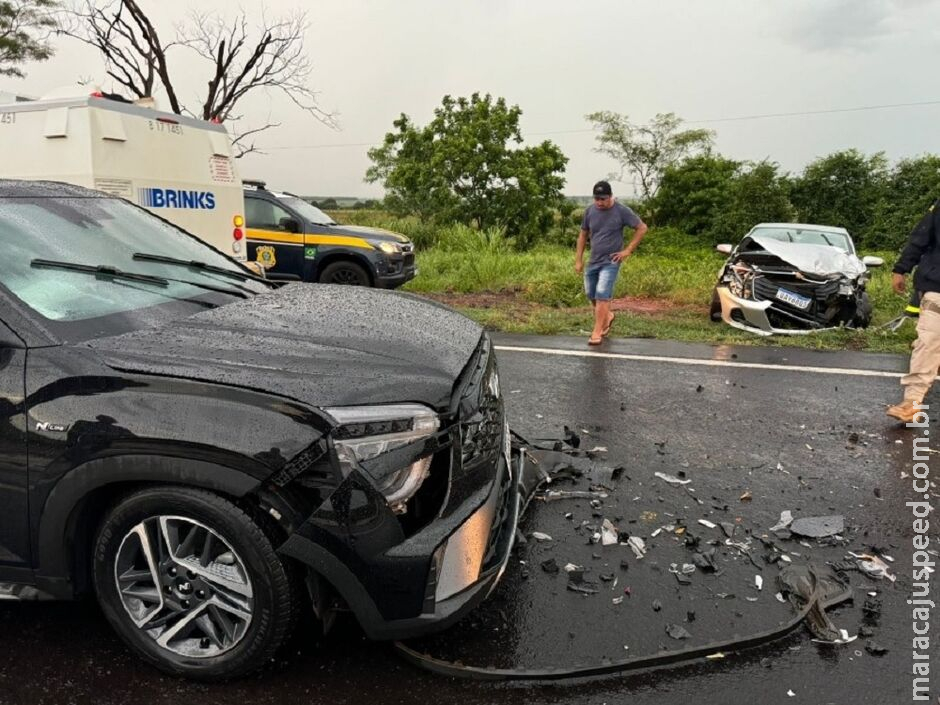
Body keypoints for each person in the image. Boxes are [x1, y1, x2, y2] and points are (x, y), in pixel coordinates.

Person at [574, 181, 648, 346]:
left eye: (603, 199)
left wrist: (627, 250)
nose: (599, 202)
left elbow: (642, 228)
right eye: (597, 199)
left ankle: (597, 331)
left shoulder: (621, 211)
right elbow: (583, 235)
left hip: (611, 261)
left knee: (602, 294)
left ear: (610, 196)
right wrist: (578, 260)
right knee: (590, 293)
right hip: (593, 260)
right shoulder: (590, 211)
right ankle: (607, 316)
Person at [887, 198, 940, 422]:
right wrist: (901, 268)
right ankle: (913, 402)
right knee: (929, 341)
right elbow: (921, 237)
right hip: (937, 285)